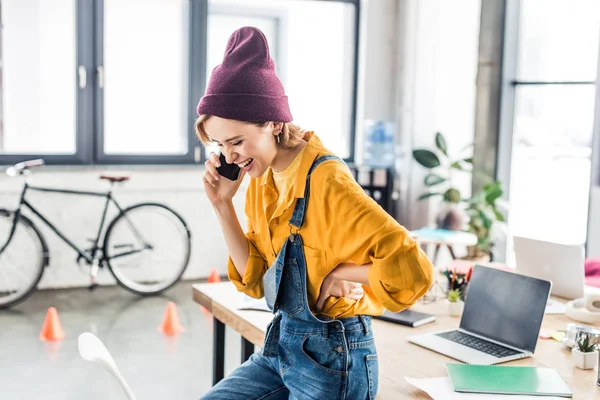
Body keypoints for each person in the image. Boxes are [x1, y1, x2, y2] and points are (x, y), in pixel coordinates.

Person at [196, 26, 434, 400]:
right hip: (282, 345)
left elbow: (415, 273)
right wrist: (223, 205)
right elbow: (256, 281)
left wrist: (344, 273)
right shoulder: (262, 176)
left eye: (237, 141)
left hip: (335, 358)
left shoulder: (328, 182)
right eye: (220, 145)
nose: (229, 157)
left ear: (274, 124)